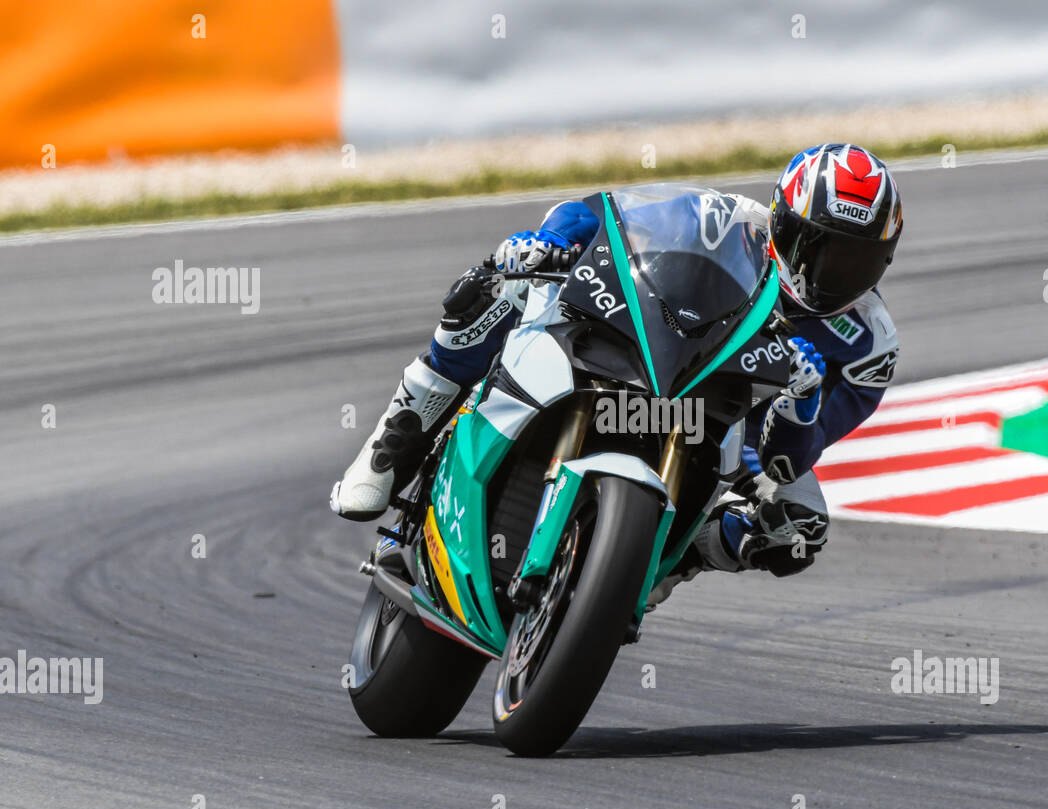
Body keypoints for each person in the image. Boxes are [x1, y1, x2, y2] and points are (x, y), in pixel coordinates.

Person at [331, 143, 903, 593]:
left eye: (859, 259)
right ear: (785, 223)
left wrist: (801, 403)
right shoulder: (727, 221)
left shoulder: (868, 348)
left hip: (734, 430)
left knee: (799, 526)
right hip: (646, 350)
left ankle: (651, 567)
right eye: (824, 248)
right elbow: (597, 213)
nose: (836, 272)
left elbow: (790, 458)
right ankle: (398, 434)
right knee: (496, 290)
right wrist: (547, 243)